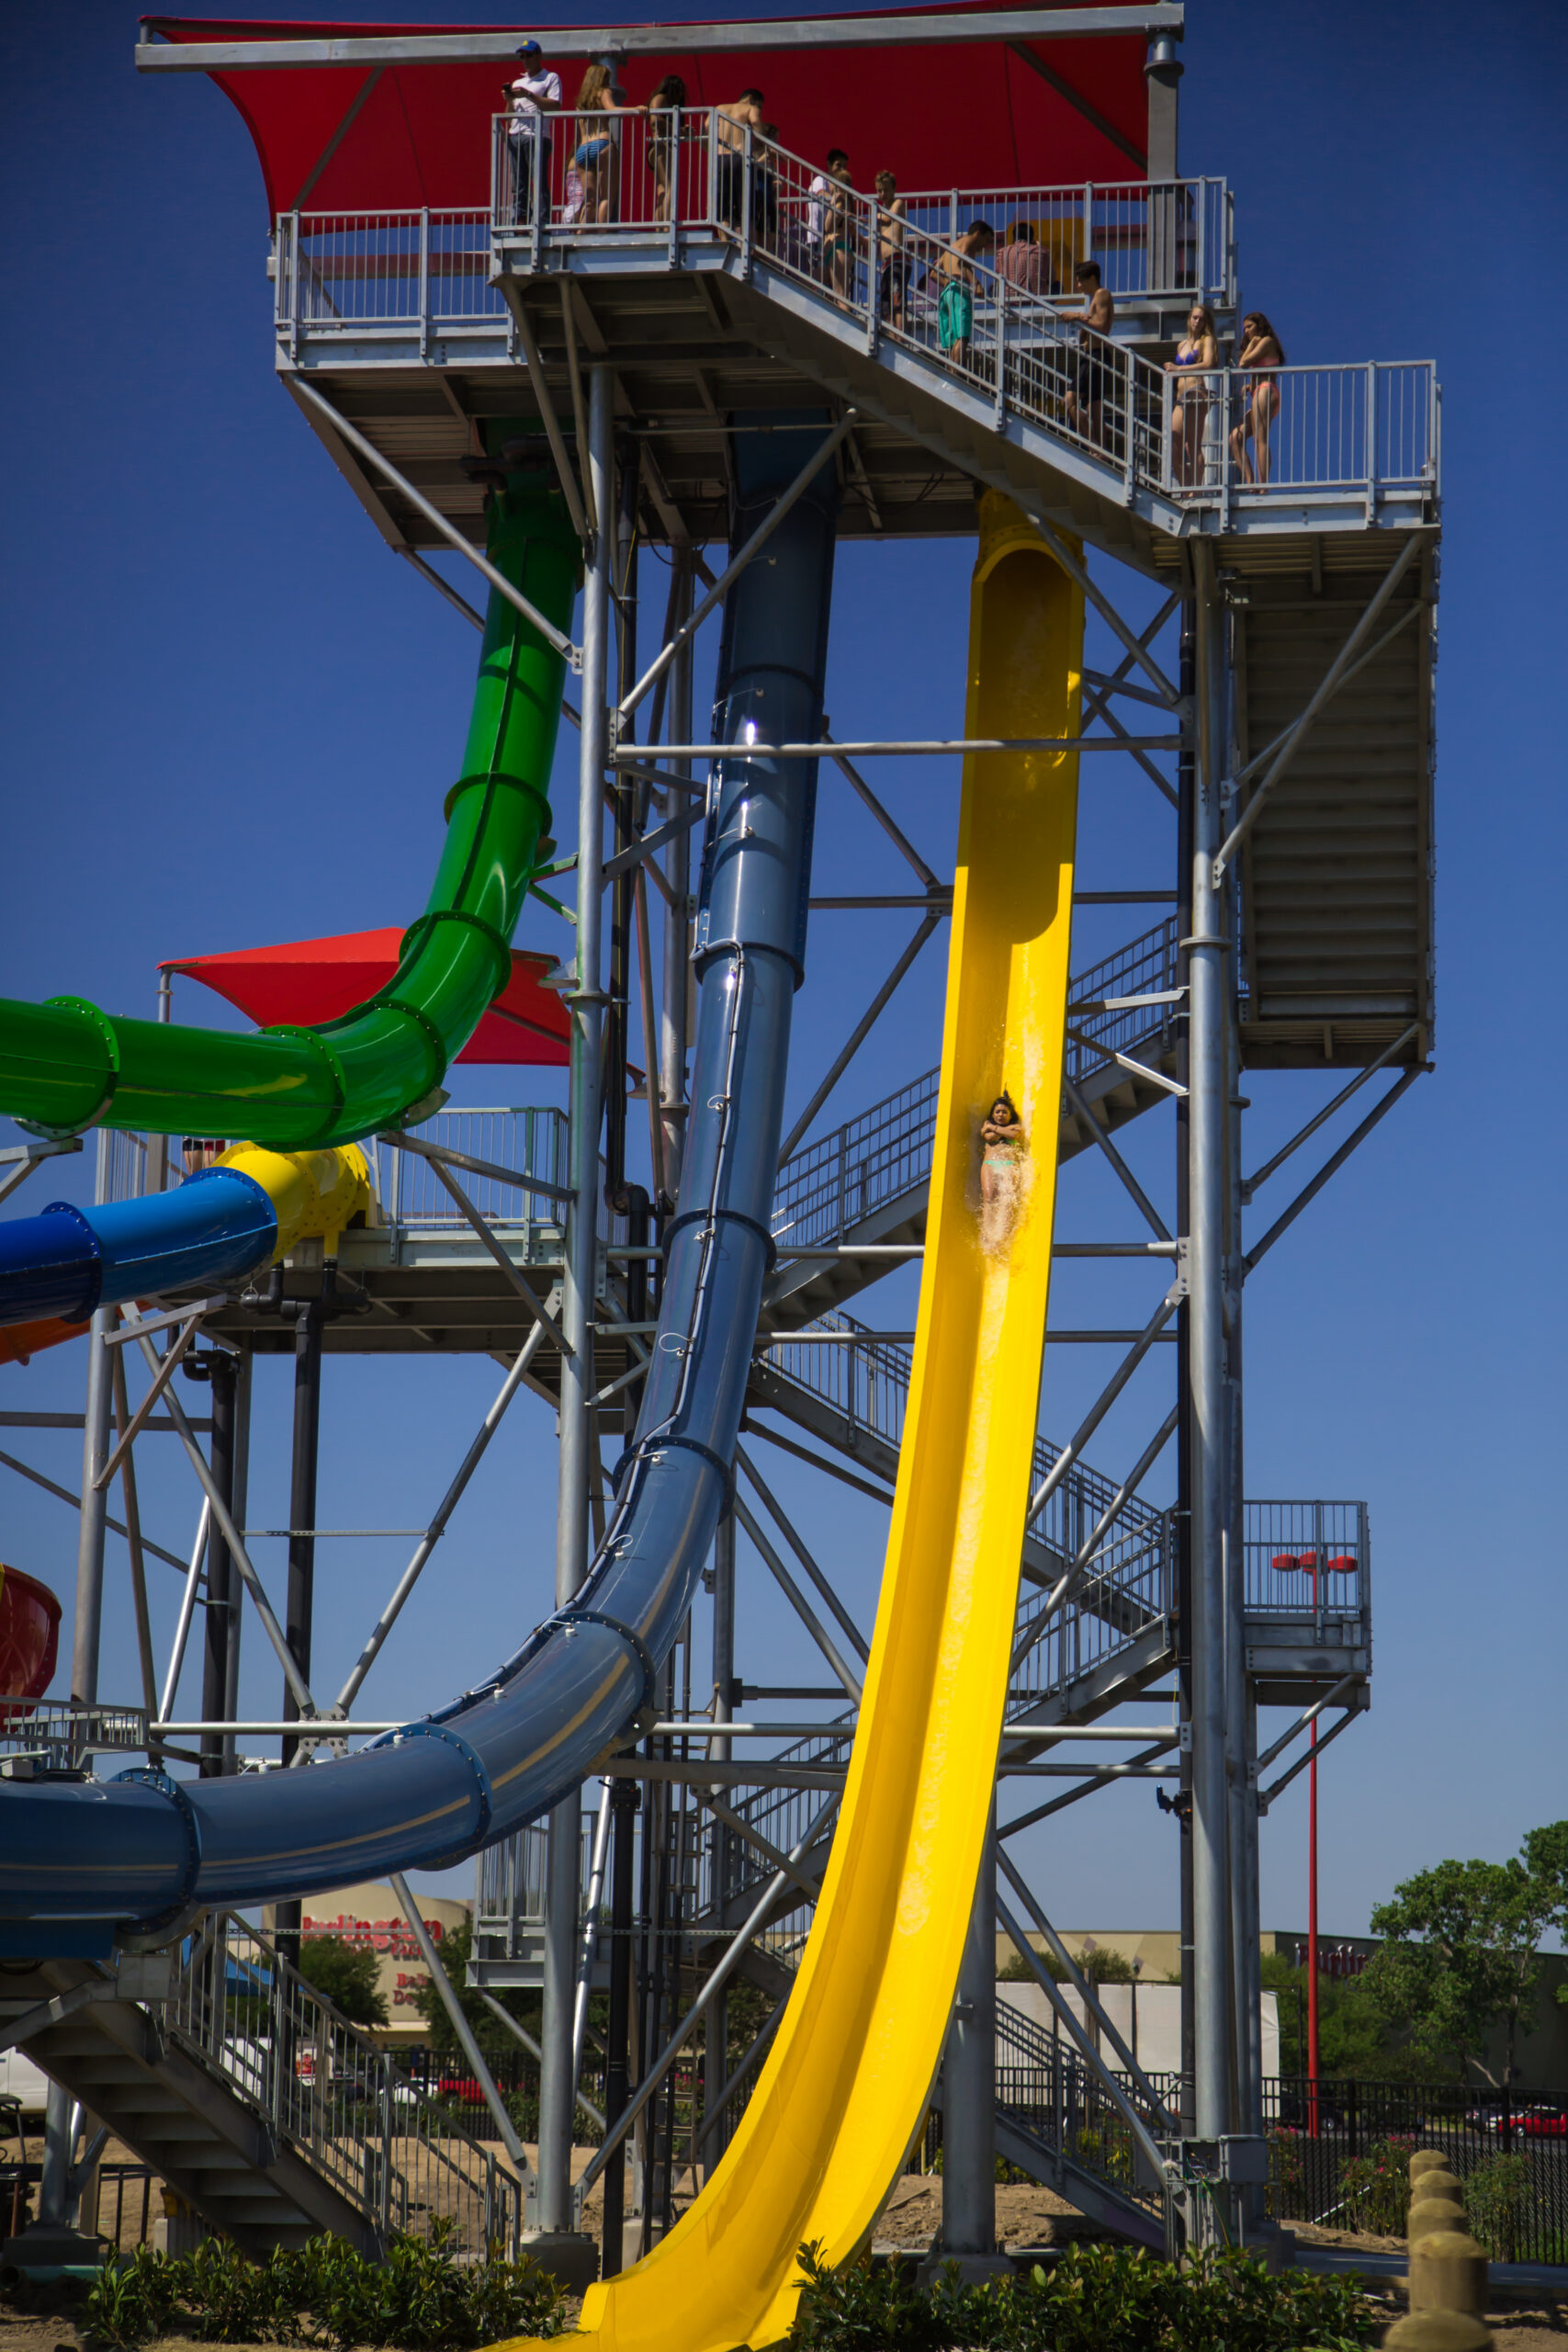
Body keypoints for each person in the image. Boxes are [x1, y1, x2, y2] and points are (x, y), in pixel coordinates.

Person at [502, 40, 560, 227]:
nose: (525, 60)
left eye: (529, 55)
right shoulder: (518, 82)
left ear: (539, 56)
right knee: (519, 184)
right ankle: (521, 220)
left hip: (537, 135)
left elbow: (555, 105)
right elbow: (508, 116)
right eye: (522, 56)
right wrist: (510, 99)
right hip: (516, 134)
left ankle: (541, 221)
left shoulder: (550, 77)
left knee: (539, 181)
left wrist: (529, 95)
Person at [1165, 301, 1220, 488]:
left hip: (1196, 392)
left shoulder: (1207, 340)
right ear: (1189, 320)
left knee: (1193, 445)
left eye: (1201, 319)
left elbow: (1209, 364)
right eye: (1194, 317)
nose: (1197, 321)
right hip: (1180, 396)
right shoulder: (1182, 345)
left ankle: (1195, 489)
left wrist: (1179, 368)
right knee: (1173, 445)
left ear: (1206, 323)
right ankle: (1185, 486)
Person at [1064, 258, 1117, 447]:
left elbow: (1102, 327)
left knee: (1070, 399)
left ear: (1091, 277)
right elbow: (1089, 331)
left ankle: (1092, 445)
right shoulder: (1095, 299)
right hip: (1092, 355)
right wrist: (1083, 325)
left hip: (1097, 355)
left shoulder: (1102, 294)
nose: (1078, 285)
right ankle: (1099, 449)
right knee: (1093, 407)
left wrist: (1078, 317)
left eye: (1080, 280)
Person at [1228, 311, 1286, 485]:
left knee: (1260, 439)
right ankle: (1250, 480)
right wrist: (1249, 387)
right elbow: (1254, 372)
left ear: (1259, 326)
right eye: (1244, 328)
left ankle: (1262, 486)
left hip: (1267, 390)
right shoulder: (1259, 344)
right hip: (1258, 392)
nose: (1246, 331)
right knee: (1235, 438)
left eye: (1249, 327)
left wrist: (1252, 343)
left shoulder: (1266, 341)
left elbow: (1244, 363)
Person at [935, 220, 993, 370]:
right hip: (960, 291)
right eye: (986, 240)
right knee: (963, 337)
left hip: (947, 292)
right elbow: (962, 262)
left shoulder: (951, 248)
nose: (984, 246)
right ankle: (955, 375)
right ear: (977, 234)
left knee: (955, 339)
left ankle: (953, 372)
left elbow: (933, 273)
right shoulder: (968, 243)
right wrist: (976, 283)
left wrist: (948, 282)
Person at [978, 1092, 1027, 1255]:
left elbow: (1015, 1135)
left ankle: (1001, 1237)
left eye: (1004, 1112)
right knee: (990, 1198)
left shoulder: (1016, 1127)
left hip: (1008, 1164)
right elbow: (989, 1137)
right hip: (990, 1164)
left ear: (1010, 1114)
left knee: (1007, 1199)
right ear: (992, 1114)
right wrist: (999, 1130)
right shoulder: (987, 1125)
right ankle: (988, 1236)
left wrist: (994, 1128)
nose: (1000, 1114)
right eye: (997, 1112)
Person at [572, 62, 617, 225]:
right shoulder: (603, 92)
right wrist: (636, 109)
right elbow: (612, 109)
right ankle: (601, 234)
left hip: (583, 149)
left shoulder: (580, 103)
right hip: (602, 143)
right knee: (606, 196)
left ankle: (581, 231)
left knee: (589, 200)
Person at [715, 88, 764, 229]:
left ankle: (725, 242)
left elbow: (706, 126)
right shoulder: (750, 108)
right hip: (739, 157)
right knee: (745, 206)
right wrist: (762, 143)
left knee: (723, 207)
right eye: (759, 105)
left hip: (719, 158)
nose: (759, 109)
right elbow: (755, 123)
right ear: (750, 99)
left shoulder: (720, 108)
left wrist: (711, 149)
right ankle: (745, 245)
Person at [647, 73, 687, 223]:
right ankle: (668, 227)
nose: (681, 94)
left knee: (662, 190)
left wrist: (683, 132)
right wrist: (678, 128)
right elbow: (654, 121)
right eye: (679, 90)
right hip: (659, 147)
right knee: (671, 187)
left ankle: (660, 227)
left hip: (663, 147)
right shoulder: (660, 98)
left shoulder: (666, 102)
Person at [807, 148, 850, 285]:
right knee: (818, 279)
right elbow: (820, 194)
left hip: (828, 240)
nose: (841, 169)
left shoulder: (835, 188)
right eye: (838, 165)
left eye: (844, 166)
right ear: (829, 165)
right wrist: (836, 199)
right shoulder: (821, 179)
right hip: (816, 238)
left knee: (830, 282)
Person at [875, 169, 908, 324]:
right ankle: (891, 335)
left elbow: (889, 218)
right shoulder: (879, 213)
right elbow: (874, 242)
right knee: (886, 306)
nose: (883, 194)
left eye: (886, 190)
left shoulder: (898, 203)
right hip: (885, 263)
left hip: (897, 259)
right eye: (880, 191)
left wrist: (868, 217)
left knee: (897, 300)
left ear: (894, 190)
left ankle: (900, 337)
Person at [998, 219, 1045, 297]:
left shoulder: (1002, 253)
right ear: (1031, 237)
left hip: (1010, 299)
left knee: (993, 286)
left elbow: (999, 275)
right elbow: (1051, 277)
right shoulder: (1042, 252)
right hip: (1036, 299)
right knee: (1057, 285)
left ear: (1013, 236)